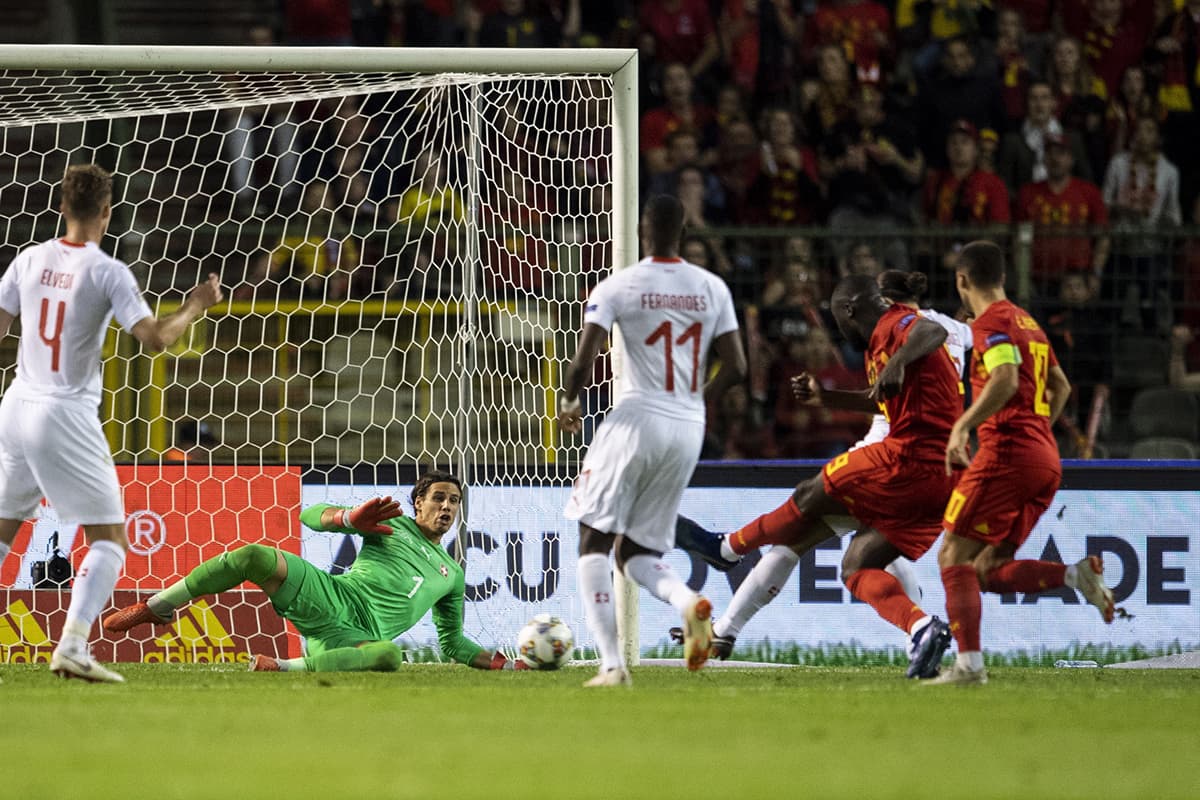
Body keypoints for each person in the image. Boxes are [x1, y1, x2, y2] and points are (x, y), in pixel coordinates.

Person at [677, 270, 973, 667]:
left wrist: (898, 362)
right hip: (948, 472)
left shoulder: (898, 324)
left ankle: (726, 549)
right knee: (855, 566)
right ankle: (920, 630)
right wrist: (827, 397)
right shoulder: (920, 334)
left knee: (809, 497)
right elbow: (888, 392)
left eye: (837, 319)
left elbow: (929, 331)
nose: (838, 331)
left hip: (905, 456)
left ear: (853, 308)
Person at [0, 163, 223, 683]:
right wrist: (195, 305)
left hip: (16, 405)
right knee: (110, 540)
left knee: (3, 529)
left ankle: (73, 647)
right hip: (64, 412)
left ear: (61, 206)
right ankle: (73, 645)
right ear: (106, 211)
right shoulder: (107, 271)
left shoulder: (28, 259)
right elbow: (155, 338)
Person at [557, 195, 747, 687]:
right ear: (684, 231)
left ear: (644, 230)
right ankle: (689, 602)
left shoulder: (619, 285)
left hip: (636, 418)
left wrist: (569, 404)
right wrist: (694, 403)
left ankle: (612, 665)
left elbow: (582, 363)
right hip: (687, 428)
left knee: (593, 540)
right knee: (635, 553)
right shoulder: (712, 287)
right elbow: (738, 367)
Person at [104, 470, 524, 673]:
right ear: (418, 502)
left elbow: (452, 643)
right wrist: (348, 519)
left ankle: (283, 667)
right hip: (332, 595)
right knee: (254, 556)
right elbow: (310, 515)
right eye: (438, 498)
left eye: (454, 501)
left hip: (355, 637)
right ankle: (160, 605)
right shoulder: (391, 522)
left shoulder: (452, 573)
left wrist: (505, 665)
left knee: (389, 656)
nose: (447, 507)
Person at [930, 241, 1115, 686]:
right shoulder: (1027, 323)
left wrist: (963, 427)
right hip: (1044, 459)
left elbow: (1006, 378)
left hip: (1008, 455)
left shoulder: (990, 324)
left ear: (961, 280)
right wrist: (1036, 434)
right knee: (986, 570)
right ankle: (1075, 575)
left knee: (953, 555)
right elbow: (1061, 386)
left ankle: (969, 667)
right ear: (1002, 277)